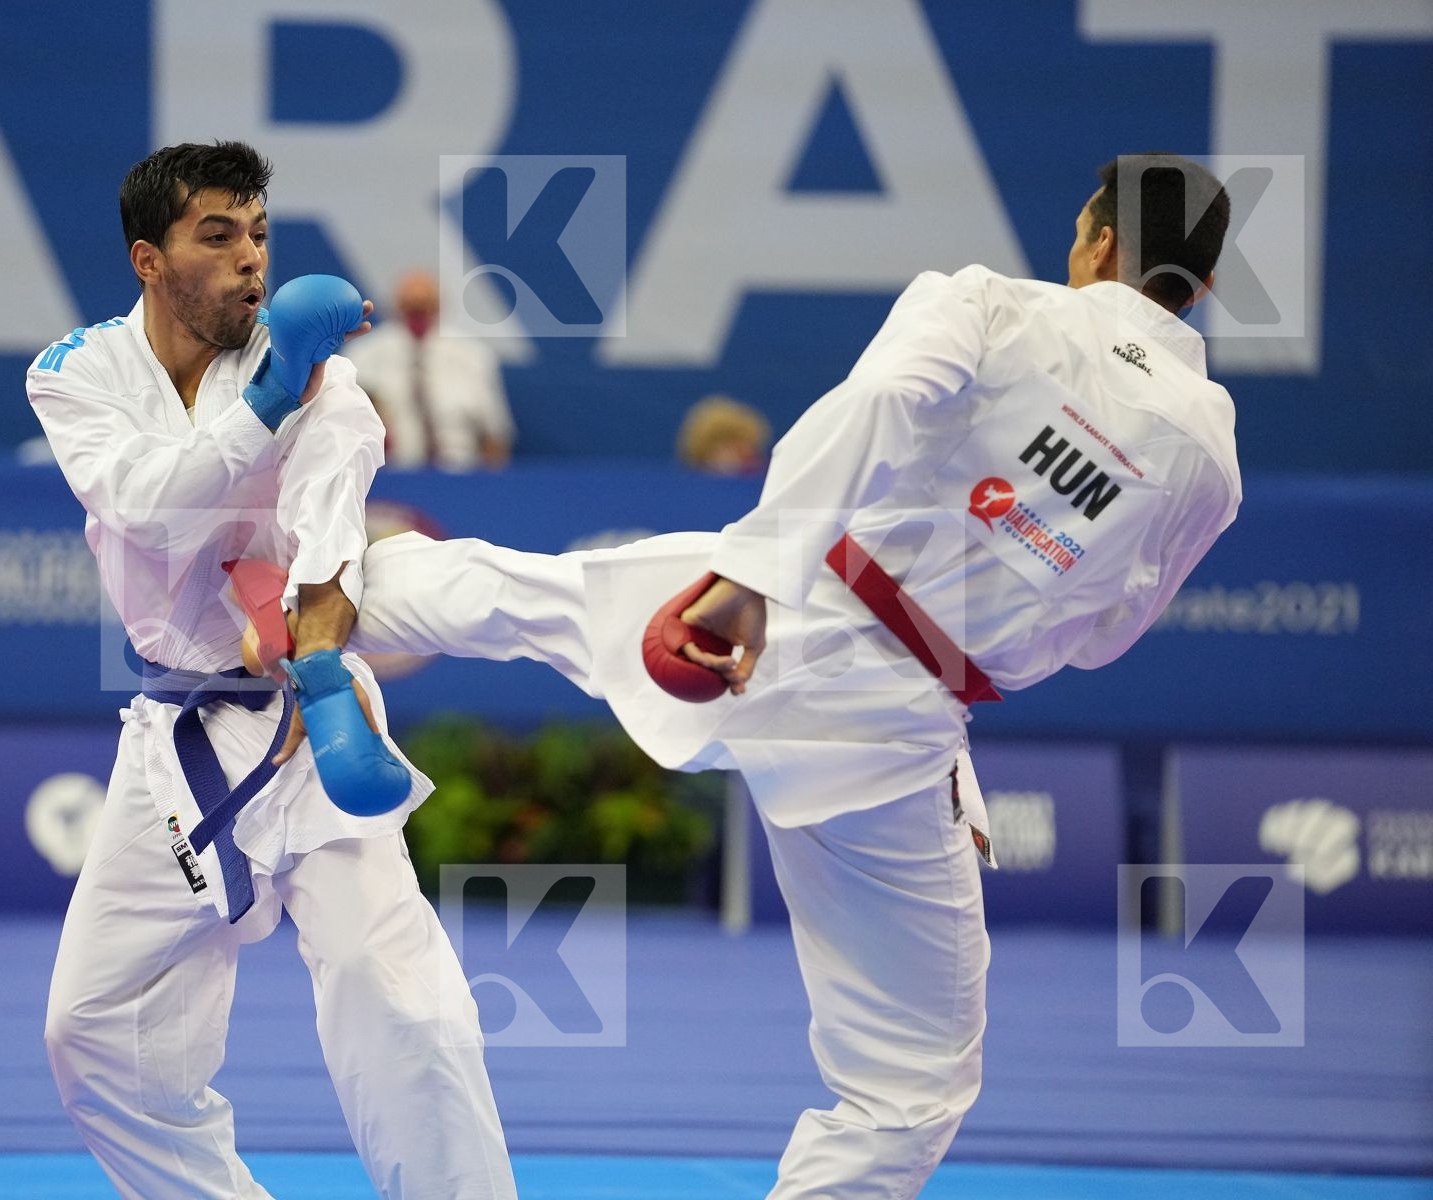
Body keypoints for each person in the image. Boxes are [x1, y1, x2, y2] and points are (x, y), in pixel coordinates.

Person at [337, 154, 1241, 1198]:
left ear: (1100, 243)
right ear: (1204, 288)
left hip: (798, 602)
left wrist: (755, 572)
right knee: (908, 1087)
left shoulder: (992, 306)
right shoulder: (1208, 462)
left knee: (538, 599)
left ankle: (304, 601)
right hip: (894, 730)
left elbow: (876, 407)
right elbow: (1104, 637)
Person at [29, 141, 517, 1200]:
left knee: (406, 1013)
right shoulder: (74, 371)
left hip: (306, 709)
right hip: (177, 734)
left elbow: (326, 539)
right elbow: (146, 510)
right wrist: (268, 399)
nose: (251, 261)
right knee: (94, 1029)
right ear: (148, 260)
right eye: (219, 236)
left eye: (259, 235)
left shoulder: (327, 387)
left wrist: (324, 668)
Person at [345, 269, 515, 470]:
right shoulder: (363, 354)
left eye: (426, 306)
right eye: (410, 306)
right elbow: (345, 426)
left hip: (460, 473)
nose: (418, 315)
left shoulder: (472, 355)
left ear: (440, 307)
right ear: (395, 307)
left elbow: (495, 434)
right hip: (387, 474)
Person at [676, 394, 772, 475]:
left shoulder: (768, 478)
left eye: (743, 442)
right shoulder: (686, 486)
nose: (742, 450)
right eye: (728, 443)